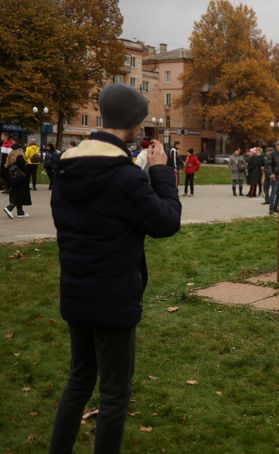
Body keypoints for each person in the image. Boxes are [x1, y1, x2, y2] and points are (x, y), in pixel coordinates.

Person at [48, 83, 181, 454]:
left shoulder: (66, 166)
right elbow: (166, 223)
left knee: (78, 380)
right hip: (113, 300)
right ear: (135, 125)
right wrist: (160, 171)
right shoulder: (125, 176)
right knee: (113, 395)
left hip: (76, 293)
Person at [3, 143, 31, 218]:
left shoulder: (10, 156)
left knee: (16, 193)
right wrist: (26, 164)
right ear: (19, 149)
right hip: (21, 179)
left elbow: (6, 167)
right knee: (20, 194)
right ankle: (9, 208)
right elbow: (24, 169)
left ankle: (20, 212)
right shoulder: (19, 156)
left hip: (13, 179)